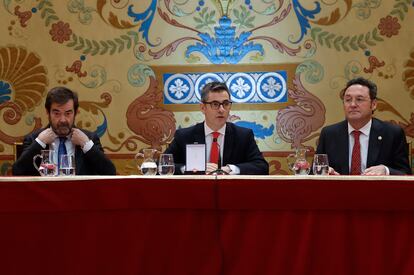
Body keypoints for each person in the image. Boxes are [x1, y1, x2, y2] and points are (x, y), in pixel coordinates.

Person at [164, 81, 269, 175]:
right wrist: (189, 168)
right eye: (215, 104)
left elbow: (262, 167)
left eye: (226, 104)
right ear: (203, 107)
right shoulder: (184, 136)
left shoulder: (243, 136)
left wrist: (231, 169)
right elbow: (163, 165)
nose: (221, 110)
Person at [316, 77, 411, 175]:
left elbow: (405, 173)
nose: (352, 104)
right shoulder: (329, 134)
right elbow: (314, 171)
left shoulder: (392, 133)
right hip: (339, 190)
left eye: (359, 99)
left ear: (373, 104)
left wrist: (386, 171)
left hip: (378, 189)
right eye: (348, 100)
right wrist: (324, 171)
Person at [12, 86, 116, 175]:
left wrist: (86, 144)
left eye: (68, 113)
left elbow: (110, 172)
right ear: (48, 113)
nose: (63, 120)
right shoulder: (34, 139)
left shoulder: (90, 138)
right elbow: (17, 171)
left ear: (75, 113)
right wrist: (39, 143)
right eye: (57, 113)